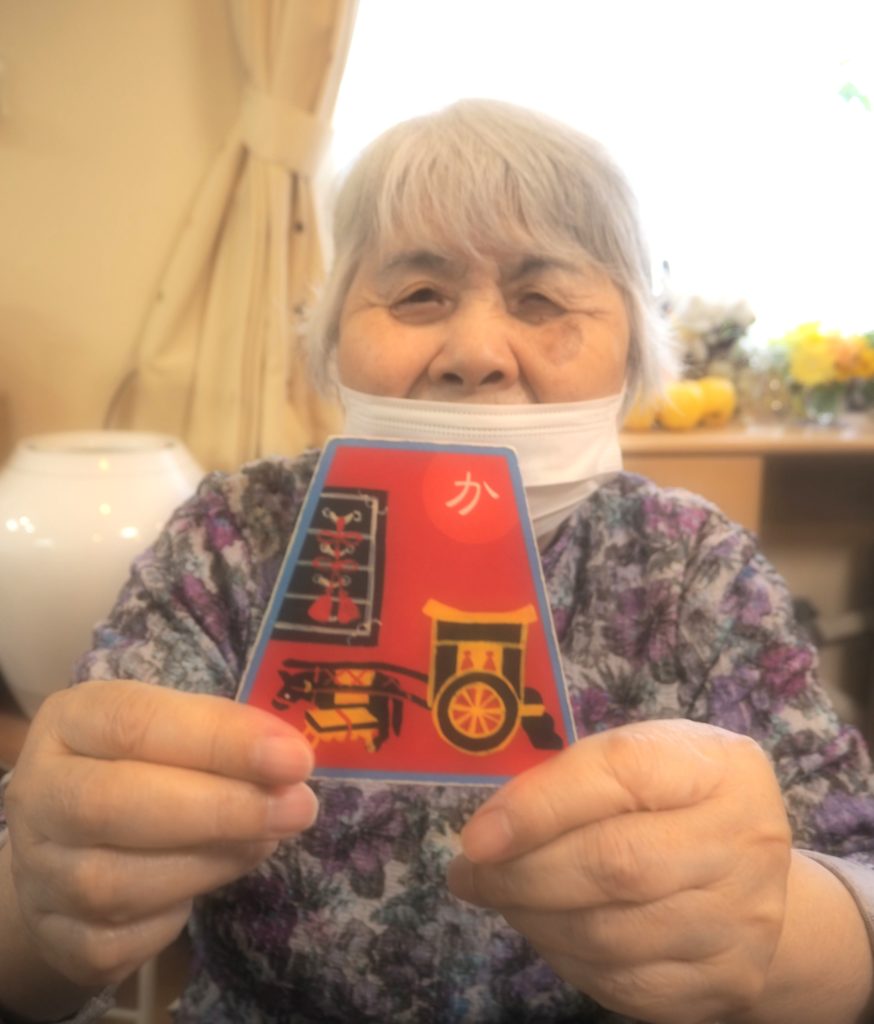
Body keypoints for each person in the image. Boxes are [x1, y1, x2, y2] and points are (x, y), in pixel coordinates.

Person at [1, 98, 873, 1024]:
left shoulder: (697, 568)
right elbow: (47, 910)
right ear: (335, 337)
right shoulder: (233, 537)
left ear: (631, 351)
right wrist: (46, 896)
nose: (475, 354)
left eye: (542, 299)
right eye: (419, 295)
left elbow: (853, 874)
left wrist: (775, 930)